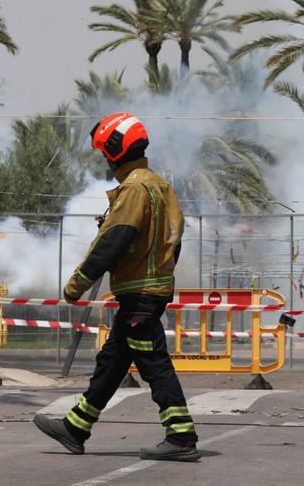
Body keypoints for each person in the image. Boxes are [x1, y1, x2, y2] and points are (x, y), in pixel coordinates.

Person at [33, 113, 200, 462]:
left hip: (139, 296)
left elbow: (113, 239)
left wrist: (77, 284)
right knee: (113, 360)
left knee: (154, 362)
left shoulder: (134, 189)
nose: (105, 161)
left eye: (105, 153)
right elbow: (175, 241)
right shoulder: (160, 186)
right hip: (149, 292)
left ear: (115, 150)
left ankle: (181, 436)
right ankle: (76, 428)